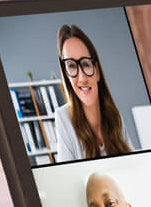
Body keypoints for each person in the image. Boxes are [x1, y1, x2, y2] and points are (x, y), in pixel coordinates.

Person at [52, 24, 136, 160]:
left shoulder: (114, 116)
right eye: (72, 66)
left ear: (97, 71)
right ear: (66, 75)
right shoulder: (63, 118)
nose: (82, 78)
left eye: (85, 64)